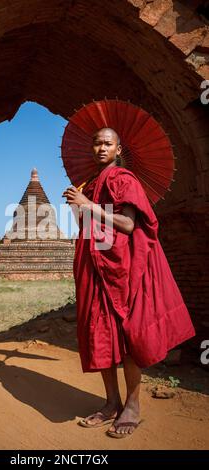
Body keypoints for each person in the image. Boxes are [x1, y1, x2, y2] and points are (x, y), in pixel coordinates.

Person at [62, 128, 196, 438]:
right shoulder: (92, 185)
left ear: (119, 149)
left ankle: (132, 405)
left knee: (126, 336)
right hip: (96, 267)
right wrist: (77, 205)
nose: (101, 148)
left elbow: (128, 224)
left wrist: (89, 204)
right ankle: (111, 404)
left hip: (122, 269)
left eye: (107, 143)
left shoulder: (124, 180)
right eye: (96, 143)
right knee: (101, 334)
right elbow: (91, 227)